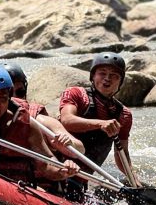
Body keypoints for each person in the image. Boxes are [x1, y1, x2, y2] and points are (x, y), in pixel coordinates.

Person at [58, 52, 140, 191]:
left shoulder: (124, 115)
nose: (107, 79)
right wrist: (100, 124)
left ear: (120, 82)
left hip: (81, 179)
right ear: (93, 76)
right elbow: (67, 120)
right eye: (102, 73)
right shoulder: (77, 94)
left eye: (114, 75)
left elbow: (122, 153)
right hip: (57, 168)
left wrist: (134, 180)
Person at [1, 62, 84, 157]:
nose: (15, 98)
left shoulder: (38, 119)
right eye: (9, 94)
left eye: (20, 92)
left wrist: (70, 143)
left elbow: (80, 150)